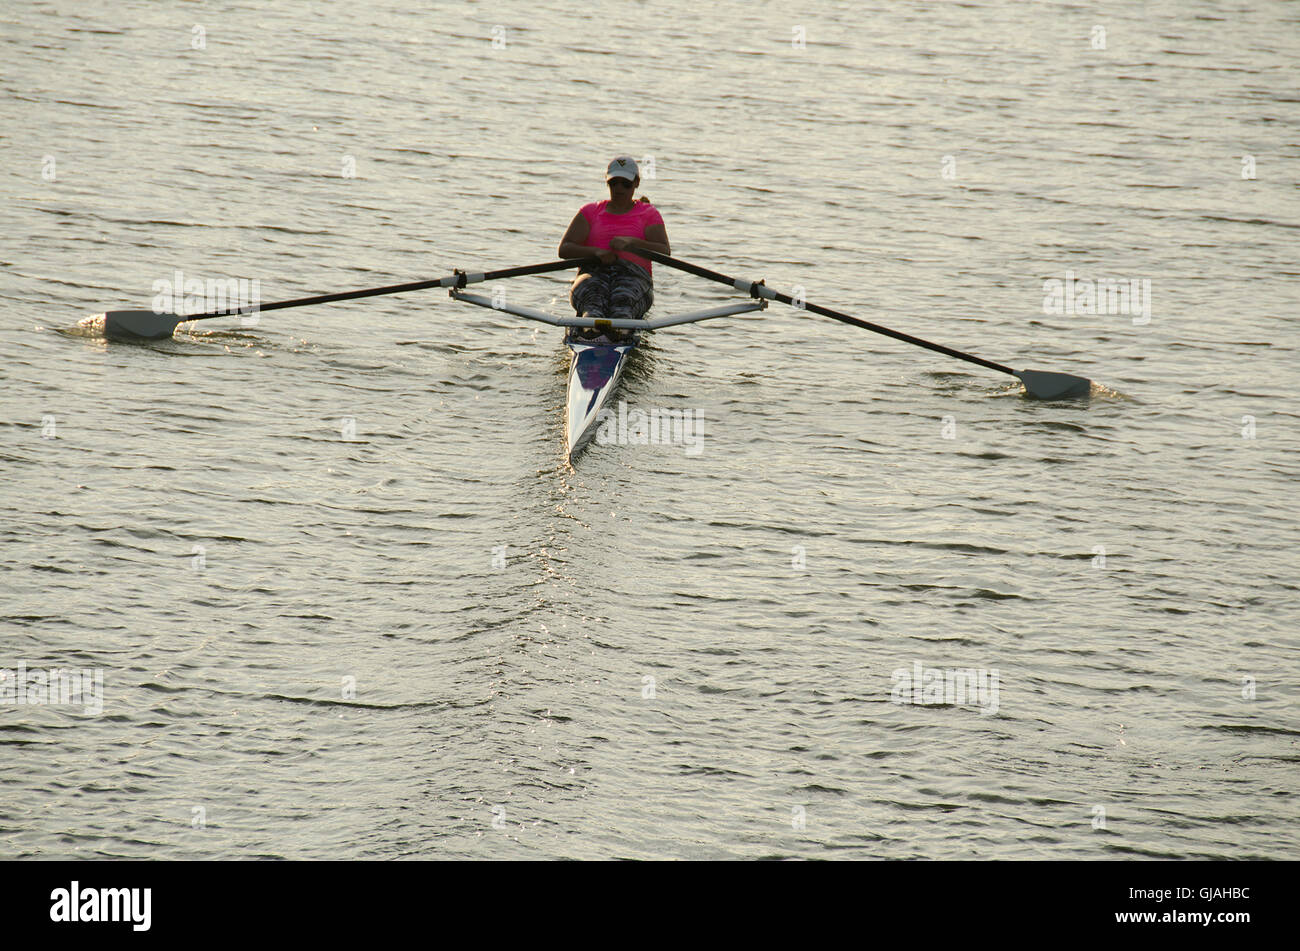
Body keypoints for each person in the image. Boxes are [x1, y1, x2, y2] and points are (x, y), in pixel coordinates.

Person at [557, 157, 671, 341]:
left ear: (636, 183)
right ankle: (590, 331)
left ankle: (619, 332)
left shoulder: (648, 214)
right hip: (594, 271)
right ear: (607, 181)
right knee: (593, 302)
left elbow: (663, 250)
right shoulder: (590, 211)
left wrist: (632, 243)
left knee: (623, 303)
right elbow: (565, 249)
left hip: (633, 274)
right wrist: (596, 252)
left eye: (625, 184)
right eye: (614, 183)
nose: (619, 188)